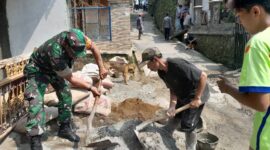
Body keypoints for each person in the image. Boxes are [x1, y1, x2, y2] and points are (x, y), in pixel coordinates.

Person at [23, 28, 108, 150]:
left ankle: (64, 128)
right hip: (38, 70)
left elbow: (94, 47)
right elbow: (71, 78)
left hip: (54, 70)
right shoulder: (55, 53)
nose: (75, 56)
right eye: (74, 53)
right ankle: (35, 140)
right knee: (36, 101)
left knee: (66, 94)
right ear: (66, 46)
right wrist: (90, 88)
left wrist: (101, 67)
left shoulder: (80, 38)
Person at [217, 0, 270, 150]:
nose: (239, 22)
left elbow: (261, 103)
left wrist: (227, 88)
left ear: (255, 11)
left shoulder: (259, 43)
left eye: (239, 15)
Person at [139, 47, 209, 150]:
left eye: (148, 64)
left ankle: (191, 147)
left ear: (155, 60)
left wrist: (197, 98)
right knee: (175, 113)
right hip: (183, 93)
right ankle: (168, 131)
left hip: (197, 93)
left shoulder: (177, 64)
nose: (148, 68)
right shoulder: (161, 72)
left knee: (188, 124)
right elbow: (172, 88)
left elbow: (203, 76)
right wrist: (172, 105)